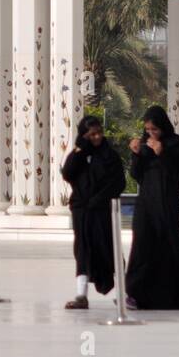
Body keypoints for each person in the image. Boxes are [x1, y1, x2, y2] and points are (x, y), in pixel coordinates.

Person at [124, 105, 179, 310]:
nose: (151, 134)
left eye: (155, 130)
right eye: (148, 130)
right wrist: (136, 154)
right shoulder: (145, 145)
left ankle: (173, 296)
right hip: (147, 205)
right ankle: (136, 294)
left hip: (169, 205)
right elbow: (137, 175)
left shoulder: (176, 143)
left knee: (169, 247)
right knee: (143, 246)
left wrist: (163, 153)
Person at [61, 116, 126, 309]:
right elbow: (68, 173)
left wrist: (99, 199)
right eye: (92, 134)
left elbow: (118, 182)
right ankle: (81, 295)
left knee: (108, 249)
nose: (97, 137)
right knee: (83, 250)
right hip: (82, 211)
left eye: (99, 133)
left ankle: (122, 293)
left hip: (102, 211)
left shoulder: (110, 155)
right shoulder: (79, 153)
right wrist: (80, 150)